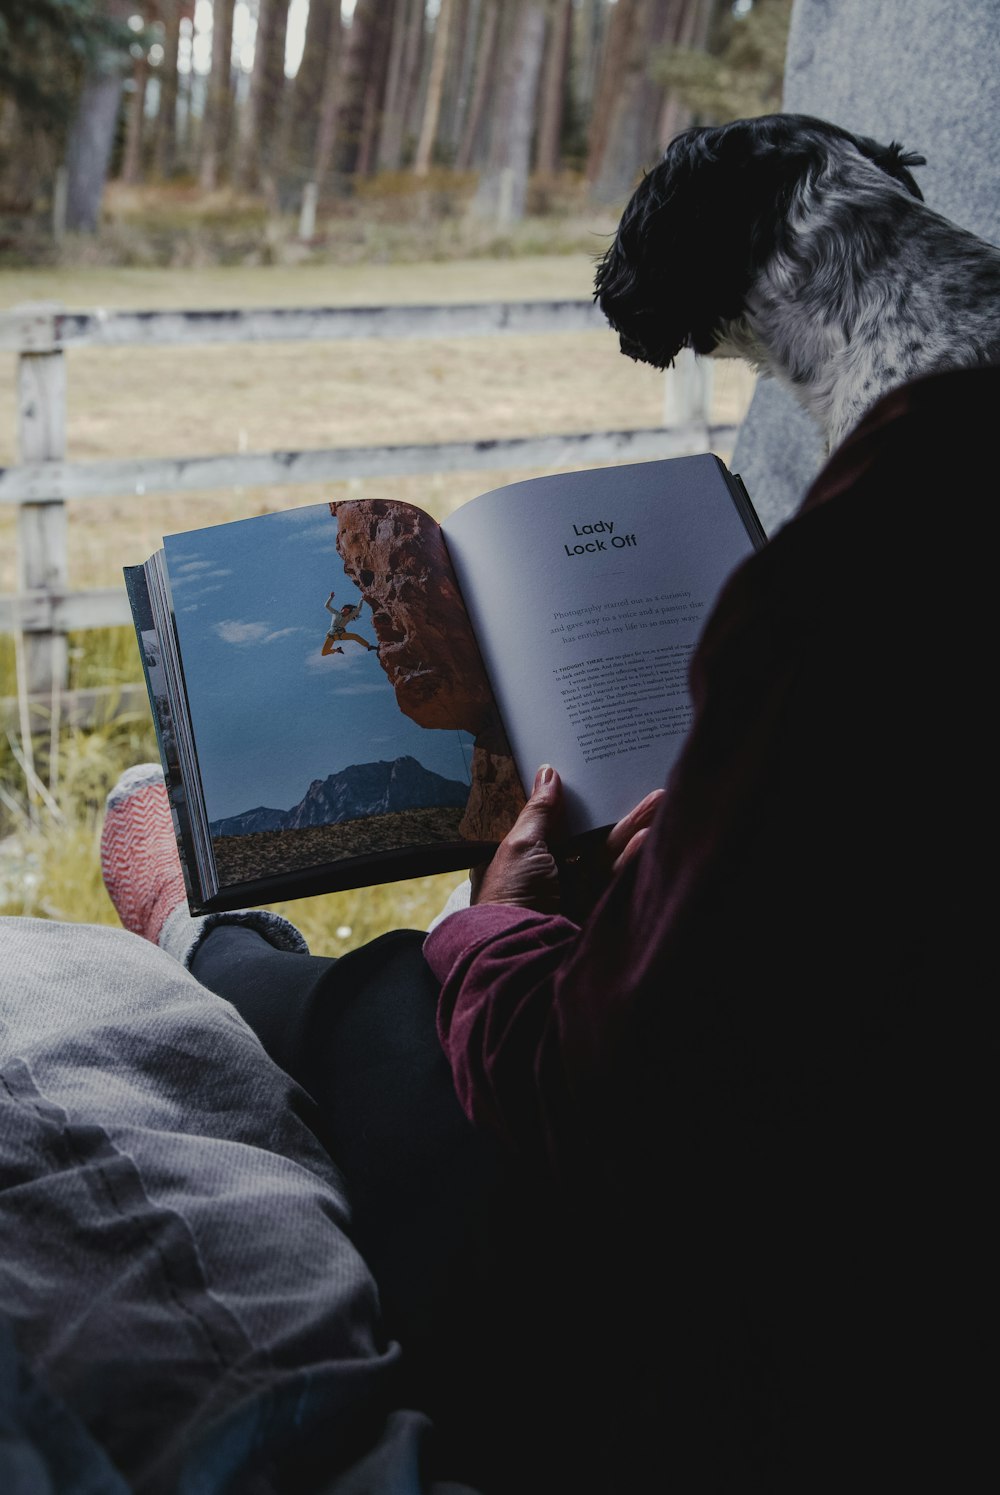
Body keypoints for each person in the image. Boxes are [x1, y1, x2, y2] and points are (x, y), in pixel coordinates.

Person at [322, 591, 377, 655]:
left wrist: (361, 599)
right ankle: (337, 650)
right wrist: (331, 597)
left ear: (348, 613)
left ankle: (369, 646)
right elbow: (326, 606)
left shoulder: (348, 617)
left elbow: (358, 609)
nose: (345, 612)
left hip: (341, 634)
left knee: (355, 636)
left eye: (347, 611)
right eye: (344, 610)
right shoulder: (335, 613)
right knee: (324, 653)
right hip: (331, 636)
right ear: (342, 609)